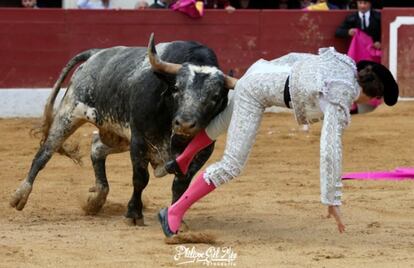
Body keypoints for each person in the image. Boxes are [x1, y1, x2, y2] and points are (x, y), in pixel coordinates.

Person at [158, 47, 399, 237]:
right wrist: (332, 199)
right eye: (376, 99)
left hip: (262, 72)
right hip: (256, 94)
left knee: (222, 122)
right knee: (231, 165)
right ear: (373, 93)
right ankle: (173, 211)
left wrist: (258, 75)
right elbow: (330, 149)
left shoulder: (342, 64)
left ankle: (182, 159)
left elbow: (294, 58)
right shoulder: (341, 96)